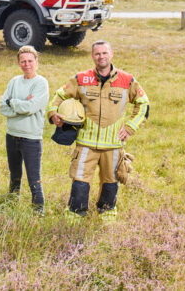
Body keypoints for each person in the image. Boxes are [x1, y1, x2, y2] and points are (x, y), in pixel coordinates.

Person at [46, 40, 150, 220]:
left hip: (113, 143)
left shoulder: (127, 80)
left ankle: (107, 212)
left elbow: (143, 104)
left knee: (110, 182)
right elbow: (59, 96)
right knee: (80, 181)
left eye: (104, 53)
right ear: (92, 56)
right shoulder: (81, 78)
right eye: (97, 54)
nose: (101, 56)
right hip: (86, 143)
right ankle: (75, 214)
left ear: (111, 54)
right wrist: (53, 113)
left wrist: (130, 126)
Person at [0, 46, 49, 213]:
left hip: (31, 139)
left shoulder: (41, 83)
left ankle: (38, 213)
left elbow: (31, 107)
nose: (26, 64)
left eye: (30, 61)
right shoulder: (14, 81)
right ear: (18, 63)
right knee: (14, 177)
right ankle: (12, 207)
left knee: (34, 179)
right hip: (12, 136)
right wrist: (21, 104)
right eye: (23, 61)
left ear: (36, 61)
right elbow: (2, 107)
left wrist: (12, 102)